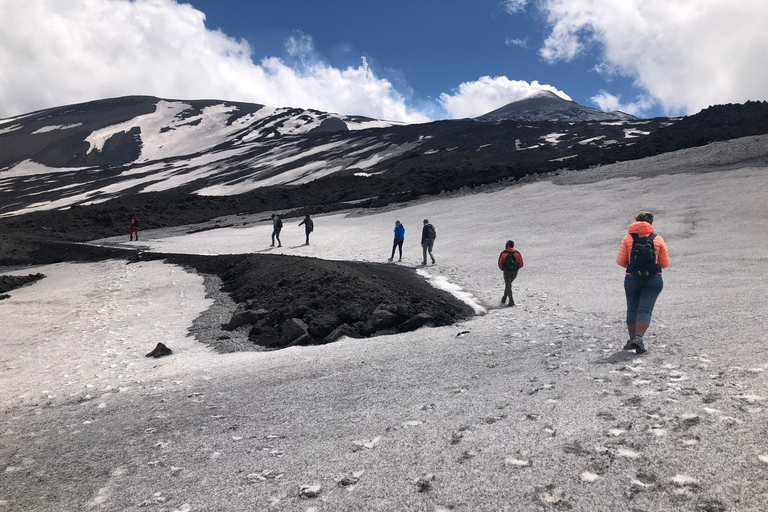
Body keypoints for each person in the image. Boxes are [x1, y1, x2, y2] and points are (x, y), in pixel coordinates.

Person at [616, 211, 670, 354]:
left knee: (632, 308)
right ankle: (638, 339)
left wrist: (633, 267)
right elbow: (665, 263)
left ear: (635, 222)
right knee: (645, 309)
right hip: (653, 278)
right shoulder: (657, 239)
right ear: (650, 223)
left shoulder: (628, 239)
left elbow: (620, 261)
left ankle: (632, 339)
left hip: (632, 277)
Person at [497, 240, 524, 306]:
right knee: (508, 285)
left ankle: (511, 301)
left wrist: (504, 269)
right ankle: (504, 298)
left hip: (507, 272)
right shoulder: (517, 253)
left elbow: (500, 263)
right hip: (515, 272)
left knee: (508, 285)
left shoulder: (504, 253)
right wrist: (516, 269)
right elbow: (521, 263)